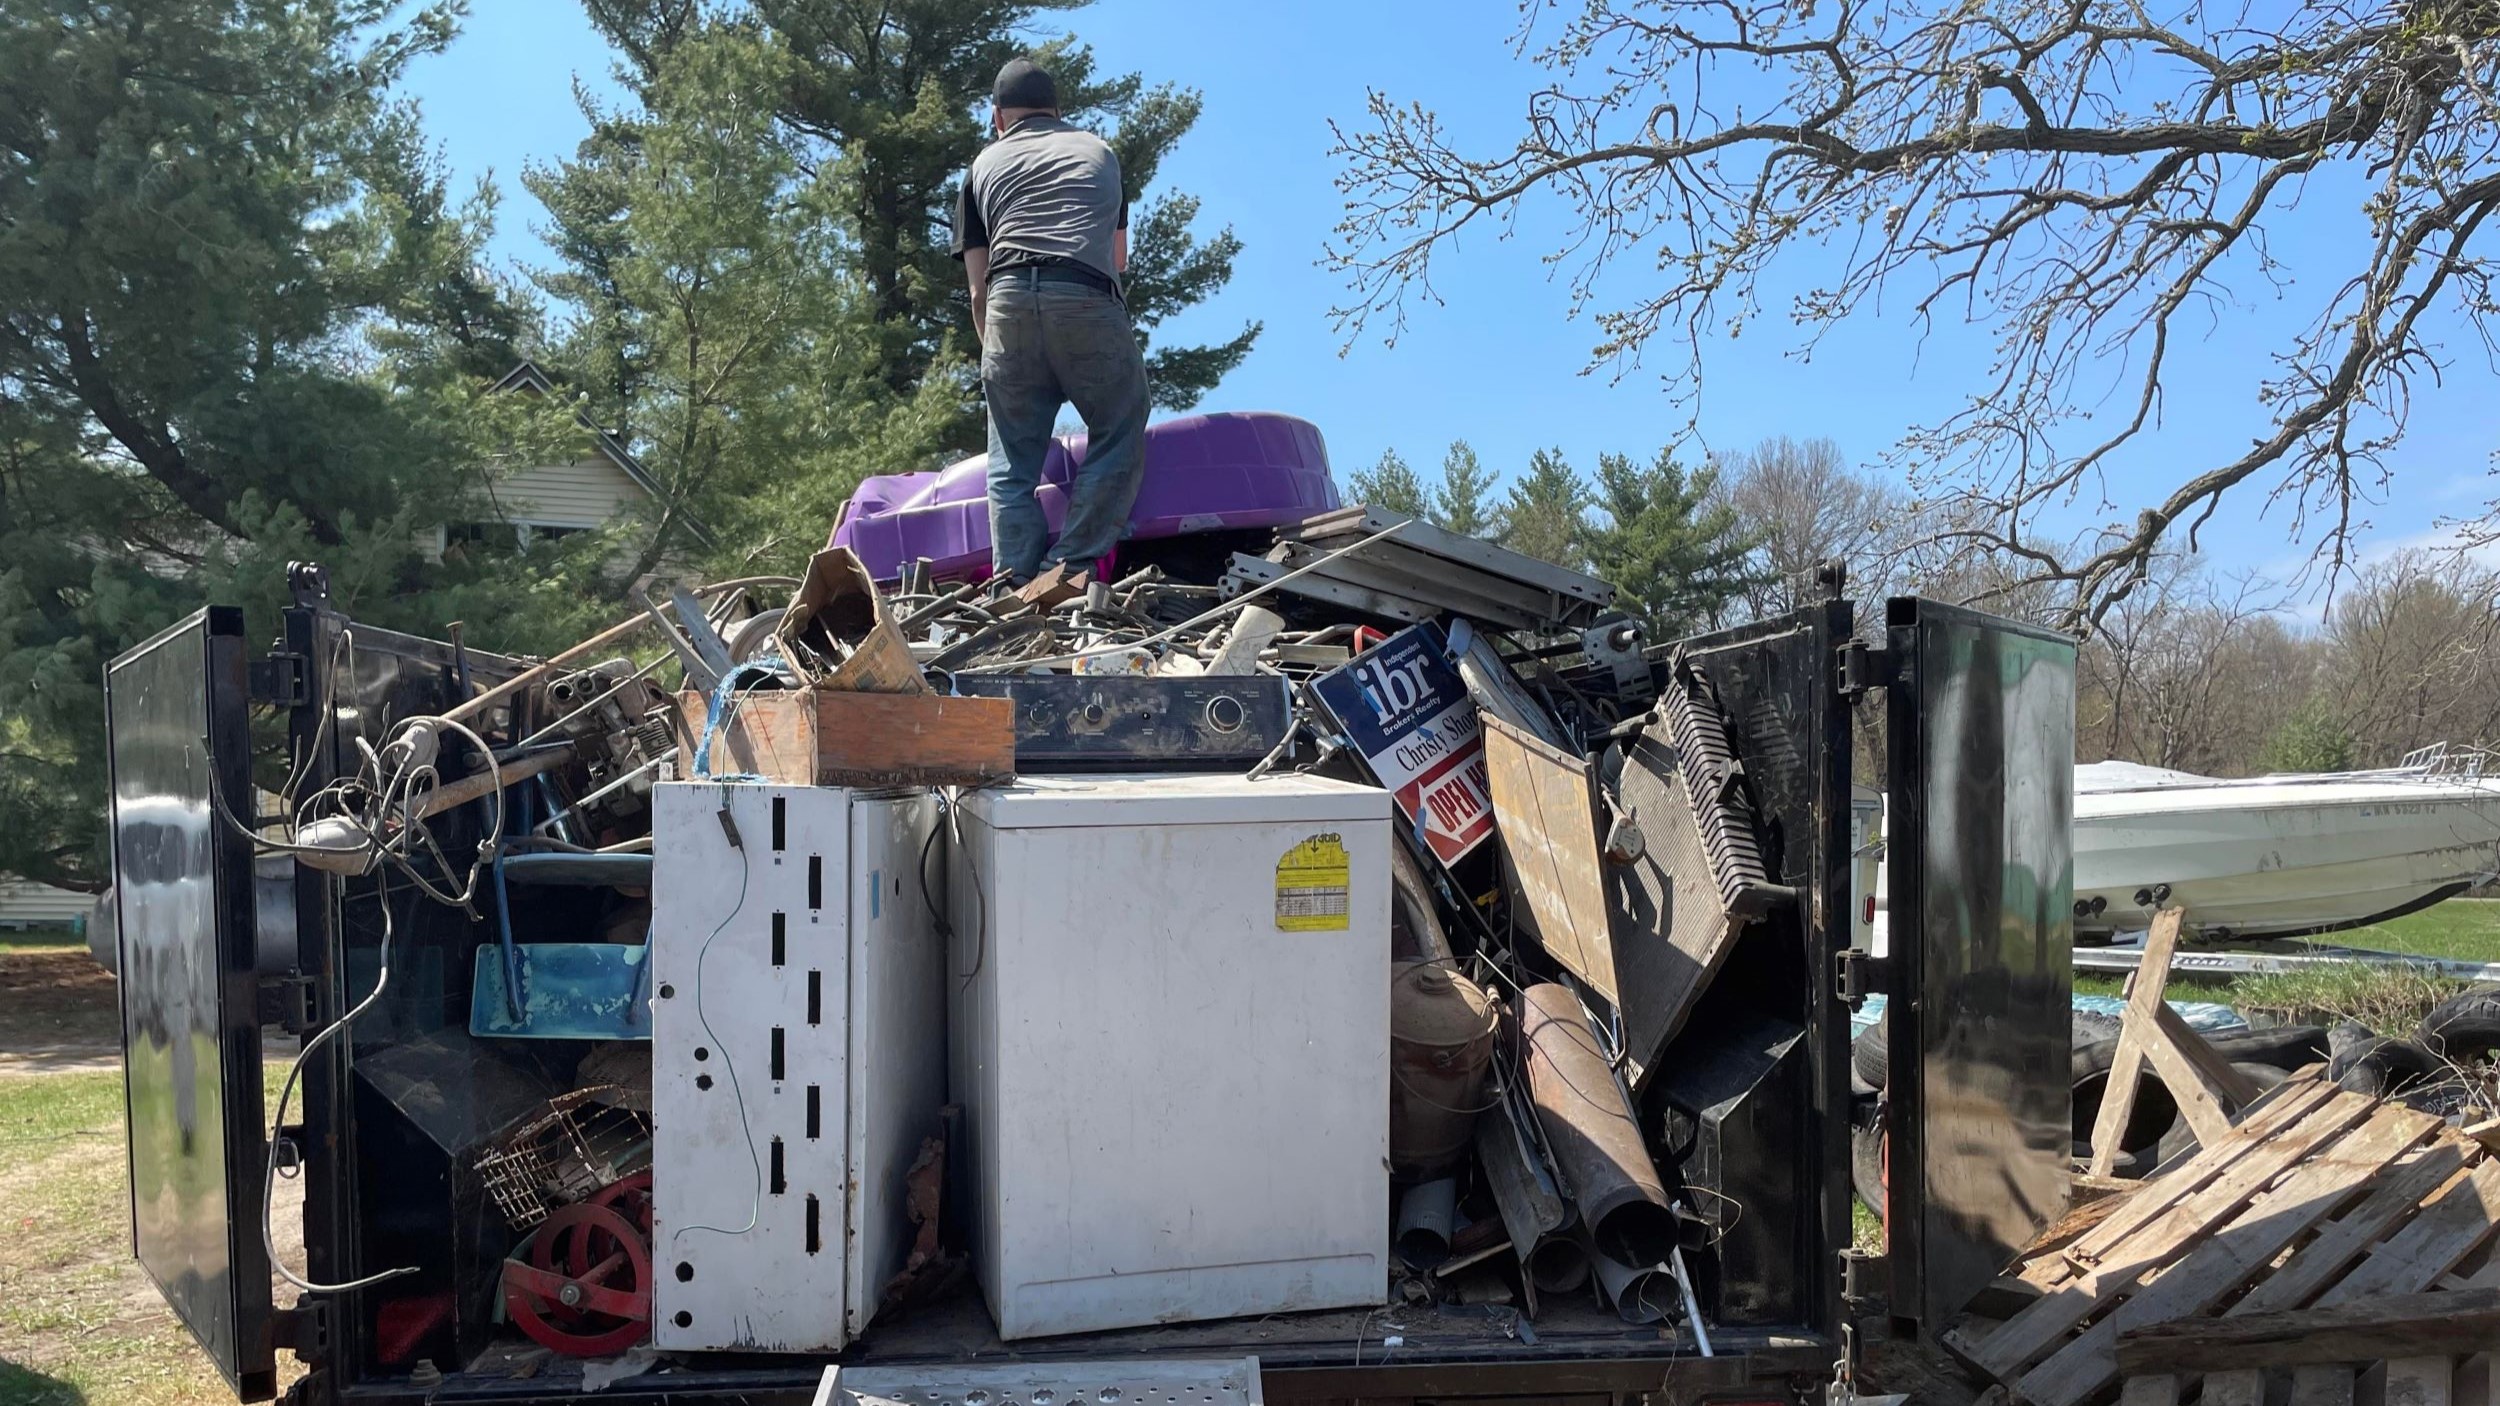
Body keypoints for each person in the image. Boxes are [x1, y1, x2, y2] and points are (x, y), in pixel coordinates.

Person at [952, 57, 1152, 587]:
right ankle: (1071, 565)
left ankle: (1013, 583)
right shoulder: (1098, 152)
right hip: (1086, 291)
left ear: (998, 117)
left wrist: (1001, 360)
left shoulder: (981, 167)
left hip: (1008, 299)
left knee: (1011, 462)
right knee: (1119, 424)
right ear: (1059, 111)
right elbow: (1119, 259)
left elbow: (978, 288)